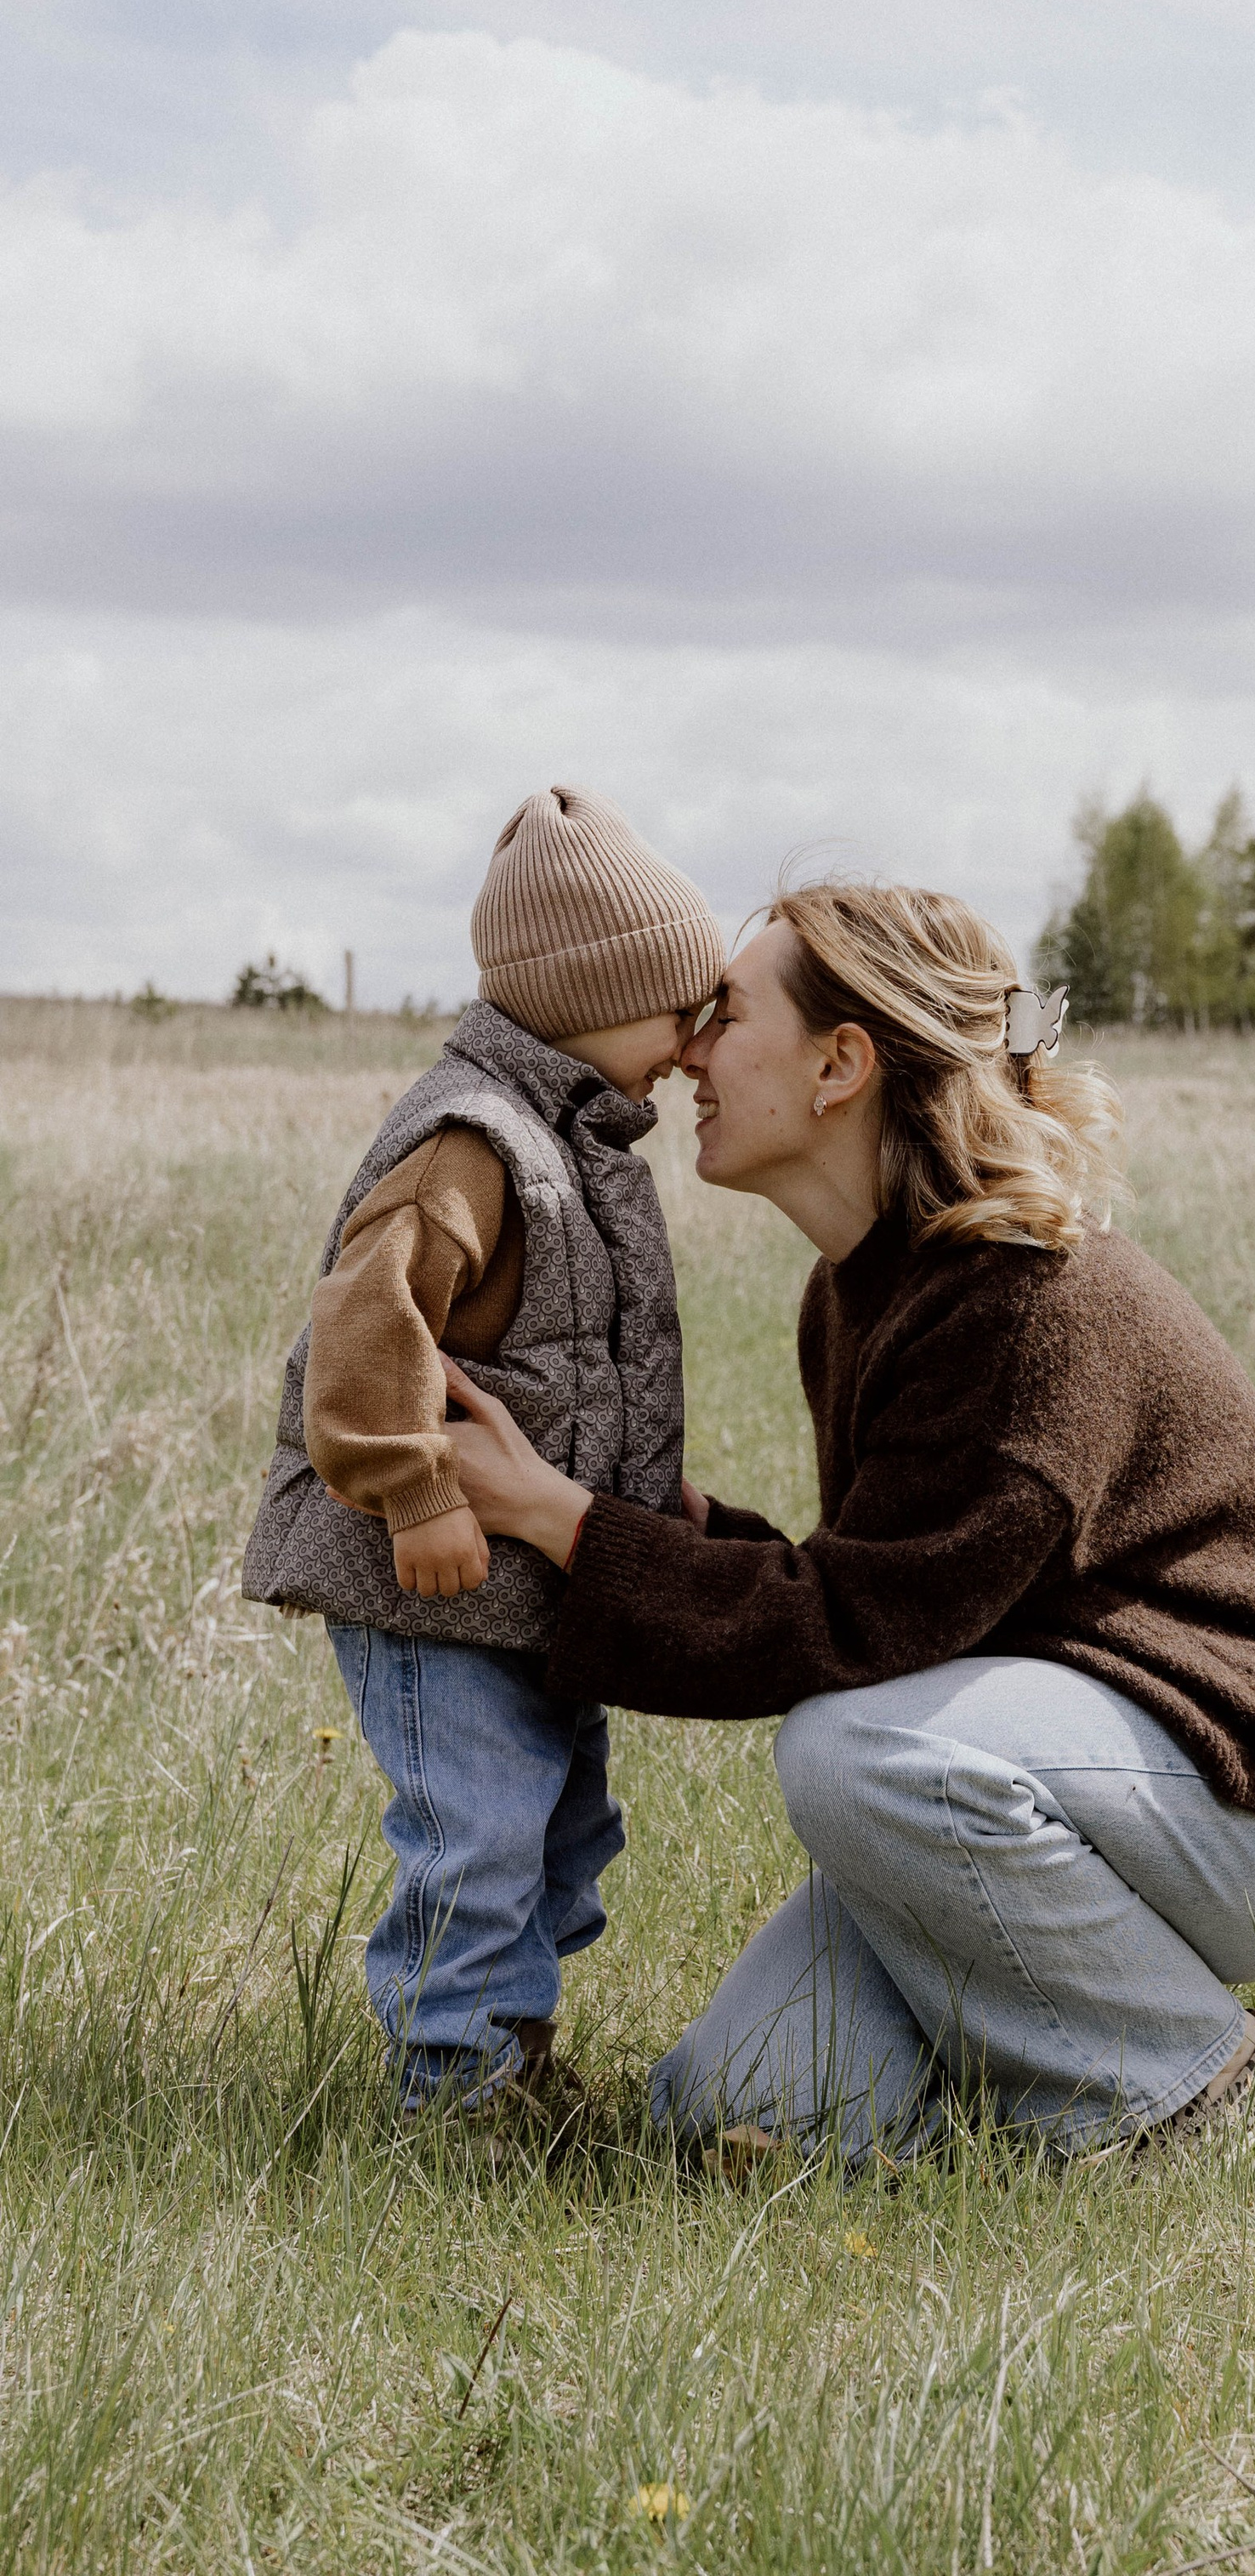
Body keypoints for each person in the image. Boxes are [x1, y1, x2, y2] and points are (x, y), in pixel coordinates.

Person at [442, 880, 1255, 2169]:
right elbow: (898, 1589)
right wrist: (682, 1533)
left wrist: (573, 1529)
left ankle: (1179, 2085)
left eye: (727, 1015)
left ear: (842, 1063)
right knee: (727, 2117)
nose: (686, 1052)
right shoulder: (859, 1290)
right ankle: (1025, 2072)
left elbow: (859, 1632)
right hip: (1068, 1774)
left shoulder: (1027, 1300)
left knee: (851, 1754)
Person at [241, 785, 725, 2113]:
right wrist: (416, 1490)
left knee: (563, 1829)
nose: (693, 1045)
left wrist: (637, 1486)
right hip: (431, 1577)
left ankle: (514, 2051)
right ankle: (451, 2094)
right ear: (587, 994)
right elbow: (367, 1315)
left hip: (524, 1587)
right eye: (676, 1009)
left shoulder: (573, 1136)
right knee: (479, 1834)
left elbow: (570, 1346)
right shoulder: (470, 1139)